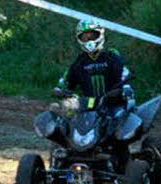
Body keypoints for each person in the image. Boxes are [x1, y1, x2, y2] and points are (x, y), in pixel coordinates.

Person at [56, 19, 135, 165]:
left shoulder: (111, 56)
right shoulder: (80, 61)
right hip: (88, 106)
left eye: (92, 35)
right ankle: (64, 160)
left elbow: (124, 74)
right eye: (84, 37)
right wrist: (61, 89)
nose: (89, 40)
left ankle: (124, 164)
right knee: (67, 125)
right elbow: (67, 79)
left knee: (118, 134)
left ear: (100, 35)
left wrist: (126, 88)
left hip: (112, 103)